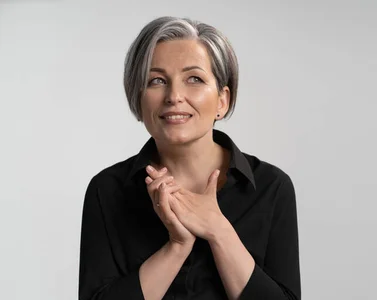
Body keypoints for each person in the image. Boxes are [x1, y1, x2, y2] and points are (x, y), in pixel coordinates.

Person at [78, 16, 301, 300]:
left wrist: (218, 230)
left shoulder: (272, 187)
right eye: (157, 80)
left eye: (194, 79)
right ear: (138, 98)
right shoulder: (107, 190)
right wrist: (177, 246)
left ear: (223, 100)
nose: (174, 96)